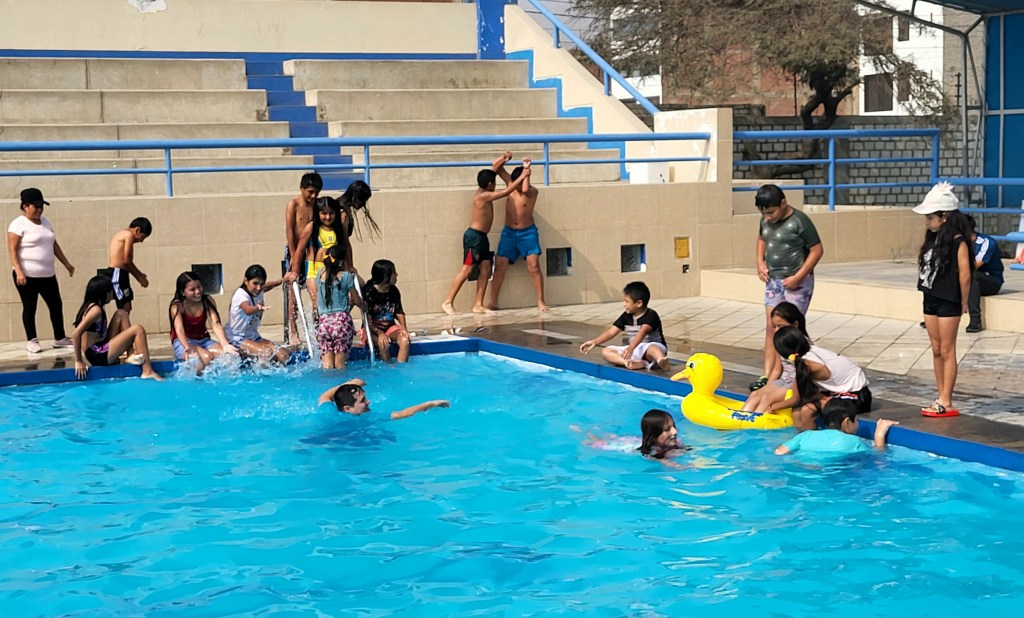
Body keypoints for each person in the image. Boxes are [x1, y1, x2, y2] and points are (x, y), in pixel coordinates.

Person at [751, 184, 823, 392]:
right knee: (771, 326)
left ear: (783, 203)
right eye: (764, 213)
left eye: (771, 212)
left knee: (791, 330)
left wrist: (798, 276)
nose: (768, 217)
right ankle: (769, 374)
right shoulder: (765, 219)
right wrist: (759, 262)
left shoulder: (799, 221)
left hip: (797, 283)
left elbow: (817, 250)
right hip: (773, 281)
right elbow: (762, 239)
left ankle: (794, 374)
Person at [441, 151, 528, 315]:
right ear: (489, 184)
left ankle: (478, 304)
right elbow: (505, 192)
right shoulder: (482, 196)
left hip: (482, 238)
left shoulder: (484, 190)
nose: (495, 185)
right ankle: (448, 302)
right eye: (494, 183)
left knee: (486, 268)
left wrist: (503, 159)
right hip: (473, 238)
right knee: (467, 270)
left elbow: (493, 170)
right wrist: (523, 176)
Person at [915, 182, 973, 417]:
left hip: (949, 299)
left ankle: (947, 401)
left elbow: (965, 274)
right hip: (930, 296)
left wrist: (964, 302)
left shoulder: (959, 241)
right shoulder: (932, 238)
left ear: (944, 217)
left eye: (931, 217)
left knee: (947, 349)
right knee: (936, 348)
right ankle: (940, 395)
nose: (928, 222)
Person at [7, 188, 75, 352]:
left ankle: (60, 337)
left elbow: (53, 244)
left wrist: (66, 263)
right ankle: (32, 340)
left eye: (41, 206)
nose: (39, 210)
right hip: (27, 275)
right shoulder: (18, 224)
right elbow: (12, 250)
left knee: (56, 305)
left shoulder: (45, 222)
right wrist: (19, 271)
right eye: (35, 206)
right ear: (25, 206)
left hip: (47, 274)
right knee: (30, 307)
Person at [772, 326, 871, 431]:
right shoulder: (808, 353)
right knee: (799, 410)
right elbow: (799, 394)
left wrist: (772, 407)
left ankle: (809, 438)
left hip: (858, 396)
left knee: (807, 410)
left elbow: (796, 399)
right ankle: (802, 438)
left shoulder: (809, 365)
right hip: (839, 392)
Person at [71, 274, 162, 381]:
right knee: (138, 329)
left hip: (99, 348)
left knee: (121, 313)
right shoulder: (95, 310)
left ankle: (130, 354)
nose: (113, 293)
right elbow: (76, 334)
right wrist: (78, 361)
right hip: (98, 354)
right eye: (110, 291)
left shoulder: (91, 306)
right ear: (104, 293)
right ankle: (147, 371)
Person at [487, 158, 549, 312]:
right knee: (500, 264)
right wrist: (504, 158)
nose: (520, 186)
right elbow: (496, 168)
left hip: (527, 233)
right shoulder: (511, 185)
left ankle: (541, 301)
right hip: (509, 233)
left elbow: (526, 190)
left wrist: (527, 171)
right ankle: (493, 301)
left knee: (534, 266)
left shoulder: (532, 191)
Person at [579, 281, 670, 371]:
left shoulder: (651, 315)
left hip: (652, 348)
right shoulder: (626, 316)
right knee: (606, 351)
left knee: (652, 348)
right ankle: (628, 362)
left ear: (639, 303)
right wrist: (595, 342)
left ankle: (661, 360)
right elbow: (611, 332)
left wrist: (631, 348)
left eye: (627, 302)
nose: (624, 305)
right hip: (634, 349)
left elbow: (642, 333)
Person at [742, 301, 808, 415]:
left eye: (780, 326)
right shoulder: (780, 341)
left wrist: (769, 393)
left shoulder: (804, 346)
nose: (777, 330)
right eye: (774, 326)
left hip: (796, 385)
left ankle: (755, 420)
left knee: (767, 398)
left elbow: (805, 375)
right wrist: (767, 387)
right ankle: (740, 418)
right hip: (782, 381)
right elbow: (777, 370)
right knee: (755, 394)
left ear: (795, 324)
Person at [775, 395, 898, 456]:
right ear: (847, 422)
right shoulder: (854, 442)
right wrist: (879, 435)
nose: (857, 423)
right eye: (856, 420)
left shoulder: (805, 435)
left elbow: (779, 452)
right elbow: (877, 456)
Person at [168, 271, 237, 376]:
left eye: (199, 287)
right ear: (182, 292)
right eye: (192, 289)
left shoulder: (207, 301)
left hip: (204, 340)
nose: (197, 291)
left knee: (228, 357)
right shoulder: (178, 306)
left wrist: (225, 344)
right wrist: (187, 349)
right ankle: (195, 383)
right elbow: (179, 330)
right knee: (206, 357)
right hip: (183, 342)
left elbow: (216, 324)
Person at [287, 196, 344, 320]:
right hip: (314, 271)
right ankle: (318, 327)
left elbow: (346, 248)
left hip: (332, 271)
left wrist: (350, 266)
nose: (328, 217)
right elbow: (300, 250)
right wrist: (295, 271)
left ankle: (336, 324)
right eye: (324, 213)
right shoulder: (312, 227)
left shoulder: (338, 228)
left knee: (347, 297)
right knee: (318, 304)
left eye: (331, 213)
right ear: (317, 213)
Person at [226, 264, 293, 365]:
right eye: (255, 283)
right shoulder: (241, 295)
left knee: (283, 354)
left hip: (253, 336)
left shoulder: (259, 289)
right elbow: (247, 309)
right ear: (246, 281)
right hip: (236, 338)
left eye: (261, 284)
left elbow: (269, 285)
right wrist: (257, 308)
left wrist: (282, 280)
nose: (258, 288)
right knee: (266, 353)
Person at [284, 172, 323, 343]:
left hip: (311, 252)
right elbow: (290, 231)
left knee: (316, 291)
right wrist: (294, 257)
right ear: (301, 188)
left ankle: (318, 328)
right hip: (294, 250)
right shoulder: (293, 204)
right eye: (310, 192)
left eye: (317, 192)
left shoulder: (317, 206)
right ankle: (293, 331)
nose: (313, 196)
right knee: (293, 292)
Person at [318, 378, 450, 420]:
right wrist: (432, 403)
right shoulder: (366, 418)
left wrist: (349, 385)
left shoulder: (329, 412)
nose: (368, 402)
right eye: (362, 401)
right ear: (348, 409)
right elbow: (403, 414)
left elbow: (324, 396)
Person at [316, 245, 360, 370]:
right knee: (340, 365)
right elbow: (356, 299)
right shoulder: (346, 276)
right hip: (341, 324)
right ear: (342, 261)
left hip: (324, 323)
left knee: (327, 366)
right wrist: (363, 305)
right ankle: (341, 382)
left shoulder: (320, 274)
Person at [106, 217, 152, 335]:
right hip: (117, 274)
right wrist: (140, 277)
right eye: (142, 237)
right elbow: (127, 261)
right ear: (137, 230)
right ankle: (119, 338)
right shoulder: (128, 235)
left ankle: (121, 337)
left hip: (121, 274)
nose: (141, 241)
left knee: (126, 308)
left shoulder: (122, 234)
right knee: (123, 309)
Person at [364, 259, 411, 363]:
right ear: (385, 276)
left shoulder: (393, 291)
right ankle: (388, 368)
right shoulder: (369, 293)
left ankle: (401, 368)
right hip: (372, 329)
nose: (397, 275)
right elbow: (367, 319)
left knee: (405, 340)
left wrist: (404, 328)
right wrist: (379, 333)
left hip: (389, 327)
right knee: (383, 344)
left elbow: (399, 312)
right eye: (394, 273)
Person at [964, 214, 1003, 333]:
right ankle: (936, 314)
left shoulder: (986, 242)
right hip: (967, 278)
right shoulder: (956, 242)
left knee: (971, 276)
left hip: (991, 280)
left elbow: (974, 266)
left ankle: (975, 320)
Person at [336, 180, 380, 270]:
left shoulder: (345, 208)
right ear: (355, 197)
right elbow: (344, 241)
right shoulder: (342, 212)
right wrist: (349, 265)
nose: (362, 204)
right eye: (362, 200)